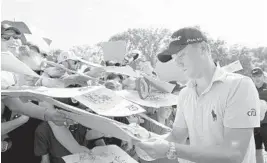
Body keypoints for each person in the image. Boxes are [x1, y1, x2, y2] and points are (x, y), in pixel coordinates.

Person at [135, 27, 260, 163]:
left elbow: (233, 153)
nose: (177, 62)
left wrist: (171, 149)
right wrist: (143, 139)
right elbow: (177, 136)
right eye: (174, 57)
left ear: (203, 48)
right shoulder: (185, 94)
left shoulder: (239, 85)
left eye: (181, 55)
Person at [251, 67, 267, 163]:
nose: (257, 78)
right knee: (257, 150)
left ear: (263, 76)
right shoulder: (249, 89)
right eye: (255, 76)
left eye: (259, 76)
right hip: (254, 125)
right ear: (252, 77)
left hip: (266, 124)